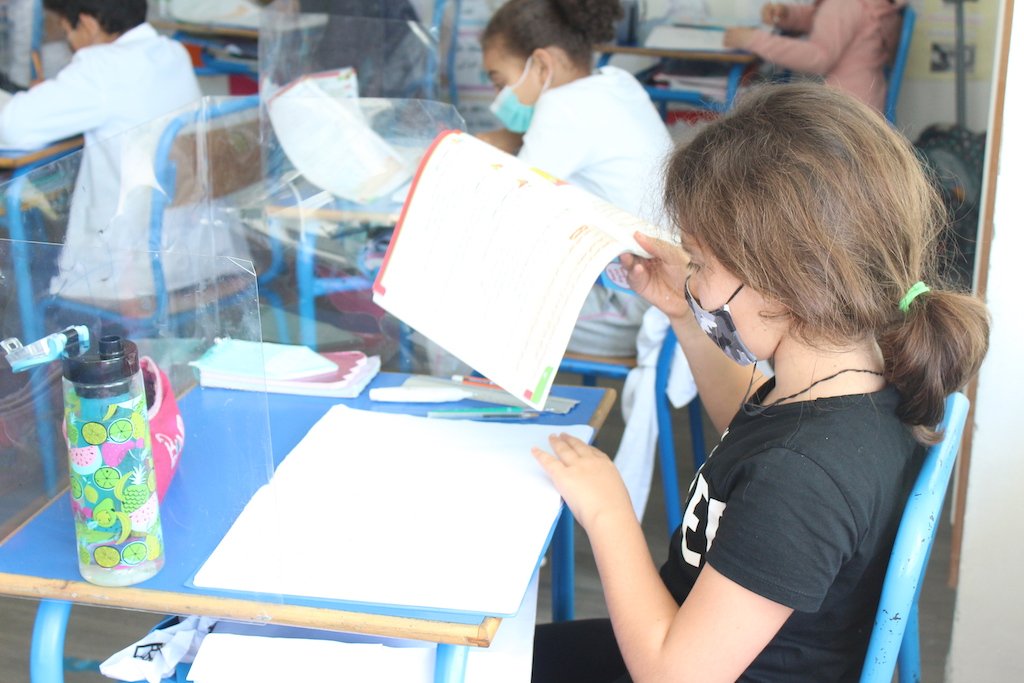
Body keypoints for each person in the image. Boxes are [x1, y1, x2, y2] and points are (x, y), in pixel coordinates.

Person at [529, 83, 989, 682]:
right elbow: (757, 429)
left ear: (785, 281)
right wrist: (685, 315)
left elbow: (674, 675)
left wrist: (608, 510)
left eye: (701, 264)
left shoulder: (803, 480)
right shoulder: (848, 387)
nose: (693, 281)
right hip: (684, 633)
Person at [0, 0, 245, 307]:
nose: (69, 43)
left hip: (137, 276)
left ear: (88, 24)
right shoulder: (173, 53)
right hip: (205, 257)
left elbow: (12, 128)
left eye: (67, 31)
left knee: (21, 259)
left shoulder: (101, 67)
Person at [478, 0, 671, 358]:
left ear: (541, 64)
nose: (498, 97)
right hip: (668, 297)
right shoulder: (616, 82)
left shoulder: (561, 108)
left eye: (500, 82)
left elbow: (509, 210)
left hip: (634, 309)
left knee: (467, 302)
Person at [723, 0, 904, 114]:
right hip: (866, 100)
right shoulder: (871, 4)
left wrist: (753, 40)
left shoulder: (845, 5)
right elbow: (826, 20)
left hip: (844, 111)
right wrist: (788, 15)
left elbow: (818, 58)